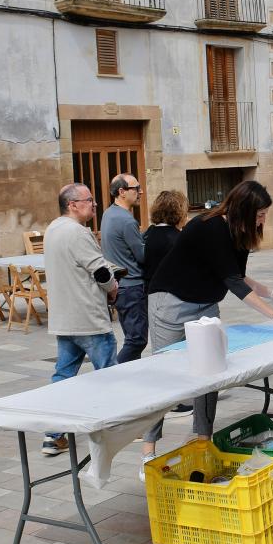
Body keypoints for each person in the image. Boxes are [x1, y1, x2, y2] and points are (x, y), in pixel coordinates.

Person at [141, 181, 273, 480]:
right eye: (260, 214)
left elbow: (239, 276)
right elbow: (234, 285)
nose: (263, 221)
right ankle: (148, 451)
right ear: (243, 209)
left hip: (205, 305)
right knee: (163, 376)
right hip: (170, 302)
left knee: (210, 373)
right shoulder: (209, 227)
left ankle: (201, 440)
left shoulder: (238, 233)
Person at [41, 184, 119, 455]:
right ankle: (117, 428)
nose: (94, 204)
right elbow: (99, 271)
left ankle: (53, 436)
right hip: (88, 318)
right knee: (111, 374)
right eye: (89, 200)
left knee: (63, 376)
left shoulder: (52, 229)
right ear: (72, 204)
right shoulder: (78, 233)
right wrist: (113, 288)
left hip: (65, 317)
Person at [143, 190, 193, 415]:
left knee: (162, 349)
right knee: (175, 351)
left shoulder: (148, 234)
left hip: (152, 295)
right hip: (174, 298)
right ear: (178, 211)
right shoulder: (177, 239)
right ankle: (175, 399)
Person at [101, 174, 147, 362]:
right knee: (137, 340)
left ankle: (130, 380)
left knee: (132, 337)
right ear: (121, 192)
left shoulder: (109, 213)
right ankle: (115, 374)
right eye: (136, 188)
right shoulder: (127, 220)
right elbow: (143, 256)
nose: (140, 192)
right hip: (132, 287)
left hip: (121, 286)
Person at [143, 190, 190, 289]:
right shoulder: (177, 238)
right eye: (186, 212)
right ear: (179, 213)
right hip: (171, 294)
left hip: (151, 291)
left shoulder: (151, 232)